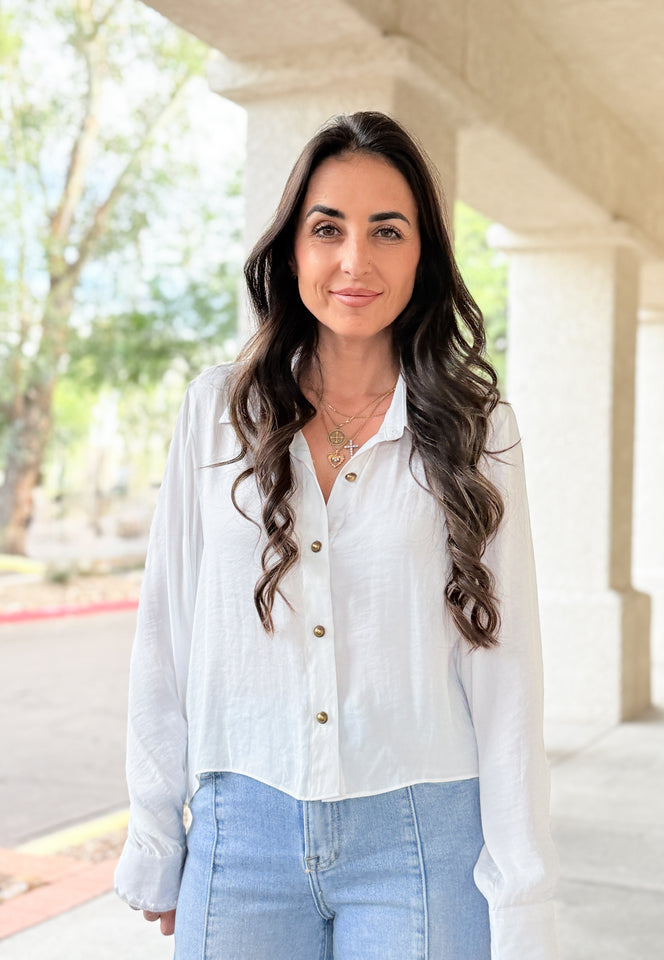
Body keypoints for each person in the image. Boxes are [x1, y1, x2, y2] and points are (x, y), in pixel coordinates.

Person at [114, 110, 558, 960]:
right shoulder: (217, 412)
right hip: (241, 834)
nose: (356, 261)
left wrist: (524, 884)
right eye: (329, 229)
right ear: (291, 250)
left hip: (423, 841)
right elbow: (167, 631)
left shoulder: (478, 427)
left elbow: (506, 667)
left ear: (421, 254)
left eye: (386, 231)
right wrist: (156, 835)